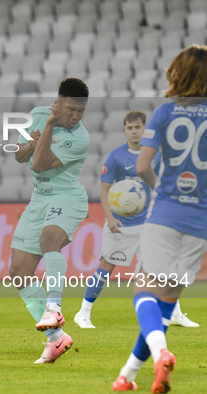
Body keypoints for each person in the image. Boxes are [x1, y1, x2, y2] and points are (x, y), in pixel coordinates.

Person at [112, 45, 207, 393]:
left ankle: (161, 352)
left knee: (144, 292)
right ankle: (127, 377)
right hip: (200, 223)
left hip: (165, 213)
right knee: (166, 303)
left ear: (177, 73)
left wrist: (161, 190)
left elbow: (141, 166)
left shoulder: (165, 113)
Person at [73, 111, 199, 329]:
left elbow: (161, 186)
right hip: (120, 225)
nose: (134, 131)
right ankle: (83, 313)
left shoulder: (154, 156)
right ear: (125, 130)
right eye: (130, 128)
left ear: (144, 129)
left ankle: (175, 313)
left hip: (147, 224)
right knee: (105, 268)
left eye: (137, 127)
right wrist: (110, 219)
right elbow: (104, 191)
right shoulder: (116, 156)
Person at [10, 77, 90, 364]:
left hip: (67, 197)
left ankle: (53, 306)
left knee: (49, 240)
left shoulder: (80, 138)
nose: (75, 116)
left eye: (81, 111)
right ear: (57, 103)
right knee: (18, 271)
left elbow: (41, 164)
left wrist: (47, 130)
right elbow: (20, 156)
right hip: (39, 199)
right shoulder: (36, 114)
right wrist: (30, 143)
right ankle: (56, 338)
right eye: (70, 109)